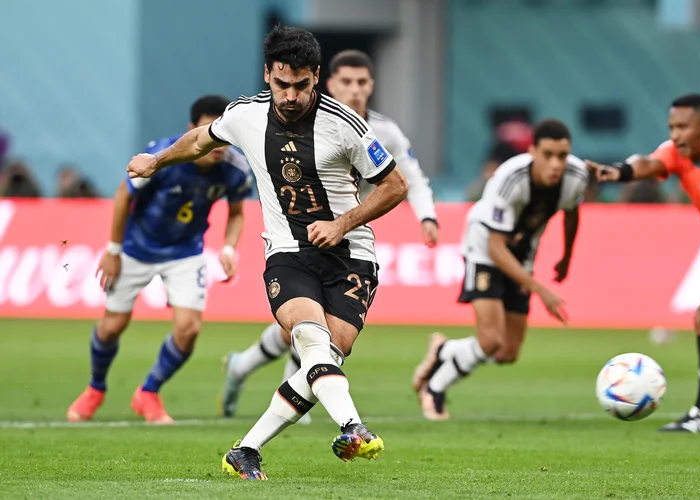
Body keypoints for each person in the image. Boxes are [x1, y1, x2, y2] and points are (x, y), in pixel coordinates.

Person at [125, 26, 408, 480]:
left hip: (351, 254)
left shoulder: (347, 126)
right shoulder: (246, 115)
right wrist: (155, 161)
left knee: (327, 359)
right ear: (267, 75)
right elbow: (200, 140)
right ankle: (353, 425)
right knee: (310, 337)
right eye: (281, 84)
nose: (290, 95)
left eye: (300, 85)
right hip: (287, 252)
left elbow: (395, 186)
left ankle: (246, 449)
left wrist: (341, 223)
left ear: (316, 77)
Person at [219, 49, 439, 423]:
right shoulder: (297, 119)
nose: (355, 90)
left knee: (315, 328)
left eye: (362, 82)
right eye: (347, 82)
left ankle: (246, 366)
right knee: (308, 324)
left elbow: (409, 177)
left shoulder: (382, 131)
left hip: (350, 230)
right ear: (329, 83)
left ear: (372, 86)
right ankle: (300, 395)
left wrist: (428, 215)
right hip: (301, 236)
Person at [66, 95, 251, 424]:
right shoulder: (164, 156)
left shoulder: (236, 169)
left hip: (185, 251)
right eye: (211, 130)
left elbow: (237, 213)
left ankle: (148, 392)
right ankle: (95, 388)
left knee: (189, 329)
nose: (219, 141)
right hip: (138, 247)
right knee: (112, 327)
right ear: (192, 130)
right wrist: (113, 250)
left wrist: (227, 248)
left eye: (225, 132)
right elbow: (124, 194)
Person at [586, 93, 700, 433]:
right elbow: (648, 164)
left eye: (682, 127)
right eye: (671, 127)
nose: (675, 134)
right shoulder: (678, 154)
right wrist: (617, 172)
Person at [413, 119, 587, 420]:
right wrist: (540, 289)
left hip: (522, 254)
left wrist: (567, 256)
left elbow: (572, 213)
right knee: (490, 340)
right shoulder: (511, 179)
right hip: (484, 249)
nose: (556, 163)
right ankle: (435, 389)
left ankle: (445, 352)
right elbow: (495, 246)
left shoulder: (576, 176)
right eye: (547, 154)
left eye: (562, 155)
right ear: (532, 151)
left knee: (507, 352)